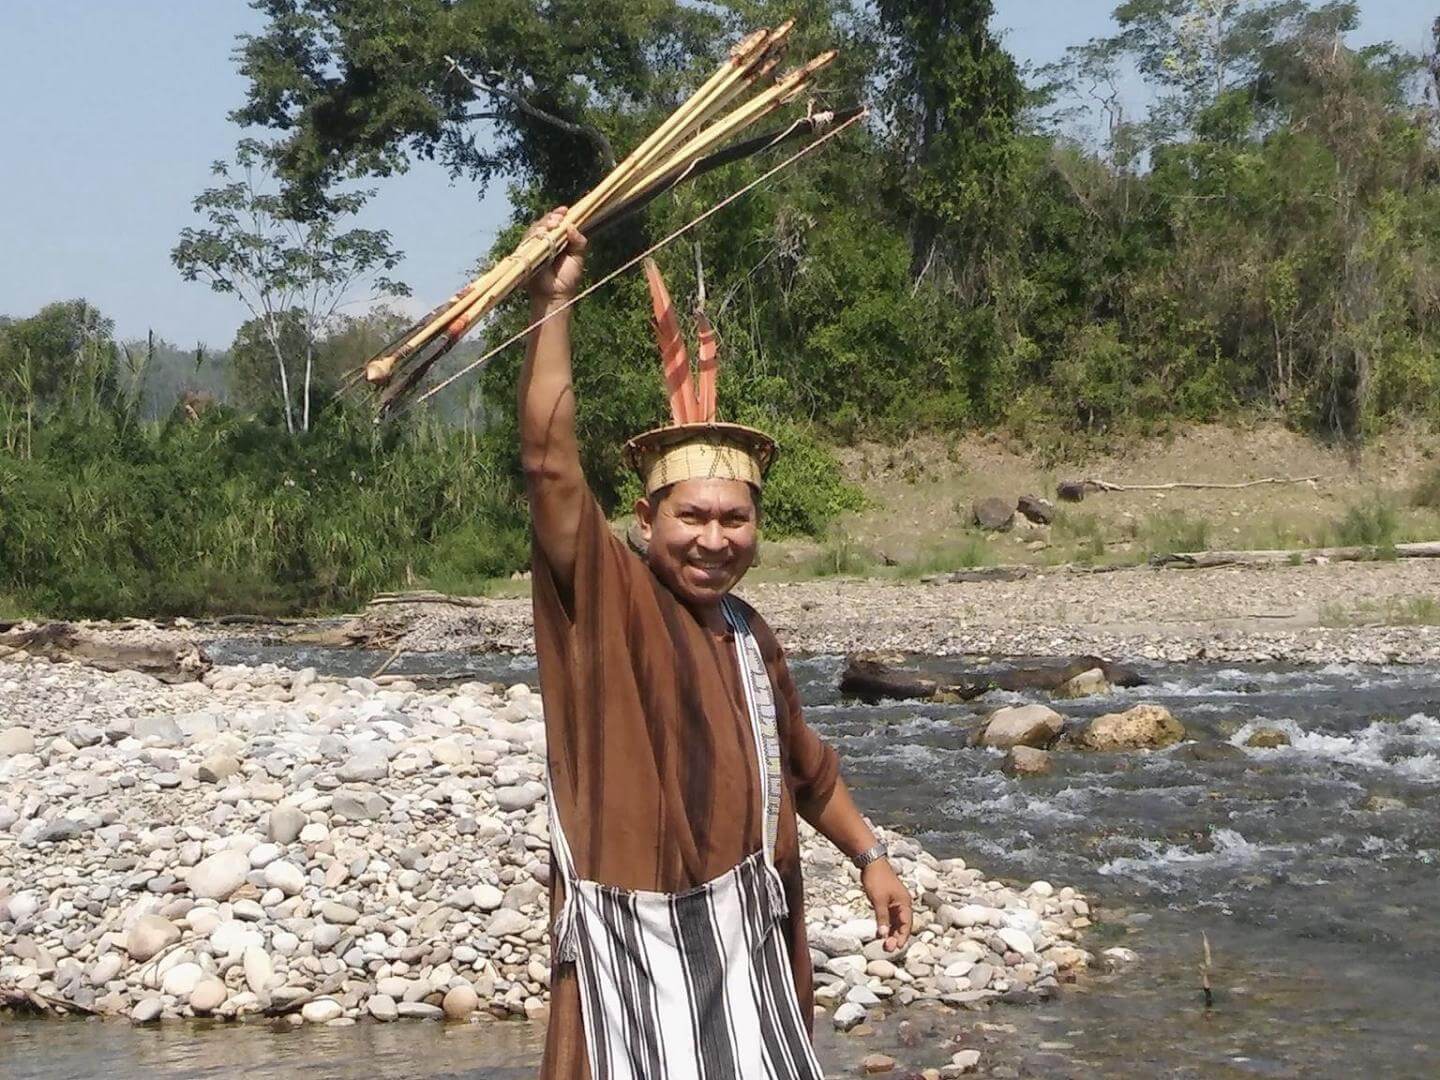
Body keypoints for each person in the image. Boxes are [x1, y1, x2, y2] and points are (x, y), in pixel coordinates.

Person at [521, 207, 912, 1079]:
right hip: (632, 949)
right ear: (645, 518)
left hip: (746, 957)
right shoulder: (605, 595)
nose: (714, 537)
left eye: (735, 517)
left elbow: (806, 769)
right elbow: (551, 466)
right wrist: (553, 304)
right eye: (691, 515)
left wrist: (872, 858)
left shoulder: (747, 631)